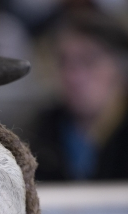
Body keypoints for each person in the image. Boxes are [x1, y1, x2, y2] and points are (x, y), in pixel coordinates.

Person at [29, 10, 128, 181]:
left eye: (89, 61)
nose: (72, 76)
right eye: (64, 62)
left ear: (121, 68)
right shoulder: (41, 133)